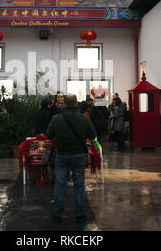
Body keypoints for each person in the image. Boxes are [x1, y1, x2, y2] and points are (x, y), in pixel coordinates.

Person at [46, 94, 97, 223]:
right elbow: (93, 136)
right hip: (79, 155)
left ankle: (57, 214)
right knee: (79, 184)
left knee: (60, 184)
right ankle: (80, 214)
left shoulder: (56, 118)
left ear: (64, 104)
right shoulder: (85, 119)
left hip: (61, 155)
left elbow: (49, 136)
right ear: (76, 104)